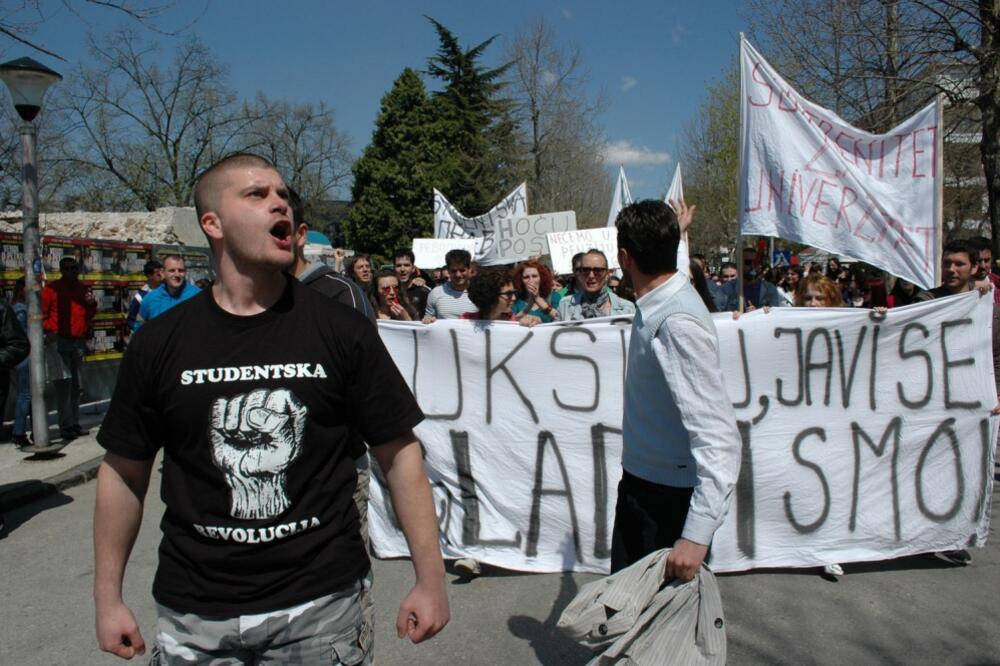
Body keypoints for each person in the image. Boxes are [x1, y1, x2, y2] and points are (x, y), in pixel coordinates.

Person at [93, 154, 449, 663]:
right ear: (211, 223)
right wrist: (107, 598)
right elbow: (123, 473)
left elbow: (400, 454)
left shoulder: (340, 329)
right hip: (194, 615)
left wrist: (430, 578)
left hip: (320, 608)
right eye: (256, 195)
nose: (278, 202)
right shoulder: (159, 343)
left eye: (282, 194)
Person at [611, 199, 740, 580]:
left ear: (624, 257)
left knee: (654, 630)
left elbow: (719, 438)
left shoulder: (675, 323)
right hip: (647, 489)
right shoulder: (665, 297)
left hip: (665, 504)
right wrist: (679, 233)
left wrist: (696, 535)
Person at [42, 256, 97, 441]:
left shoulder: (82, 289)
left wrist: (91, 304)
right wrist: (50, 332)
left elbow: (89, 313)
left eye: (74, 268)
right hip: (60, 342)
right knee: (64, 386)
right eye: (67, 268)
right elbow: (41, 314)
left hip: (77, 341)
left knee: (77, 386)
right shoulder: (51, 290)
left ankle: (74, 423)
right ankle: (65, 426)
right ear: (61, 270)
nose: (71, 271)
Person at [557, 249, 636, 320]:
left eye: (598, 270)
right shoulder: (565, 305)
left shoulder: (627, 308)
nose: (591, 276)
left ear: (607, 275)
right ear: (580, 274)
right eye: (585, 270)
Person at [135, 255, 200, 328]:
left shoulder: (198, 296)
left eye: (180, 270)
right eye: (172, 270)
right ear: (163, 272)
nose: (177, 274)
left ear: (185, 272)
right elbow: (139, 327)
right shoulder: (150, 298)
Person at [462, 267, 538, 326]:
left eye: (514, 292)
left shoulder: (512, 321)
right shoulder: (465, 321)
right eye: (509, 294)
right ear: (490, 296)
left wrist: (527, 324)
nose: (514, 298)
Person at [422, 249, 477, 322]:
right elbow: (427, 320)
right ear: (448, 270)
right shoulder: (435, 293)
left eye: (462, 270)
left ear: (469, 269)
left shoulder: (479, 292)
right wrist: (428, 320)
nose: (458, 275)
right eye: (454, 271)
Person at [10, 277, 31, 449]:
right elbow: (23, 335)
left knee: (27, 394)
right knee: (25, 395)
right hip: (24, 357)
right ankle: (18, 432)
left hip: (23, 356)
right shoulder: (20, 309)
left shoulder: (21, 307)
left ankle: (25, 430)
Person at [125, 260, 163, 332]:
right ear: (150, 276)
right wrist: (141, 330)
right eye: (158, 274)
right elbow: (130, 320)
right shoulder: (140, 297)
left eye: (162, 272)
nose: (162, 275)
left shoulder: (169, 291)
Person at [394, 248, 431, 319]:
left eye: (406, 265)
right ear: (394, 268)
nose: (402, 269)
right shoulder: (389, 292)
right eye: (398, 265)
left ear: (413, 268)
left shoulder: (424, 292)